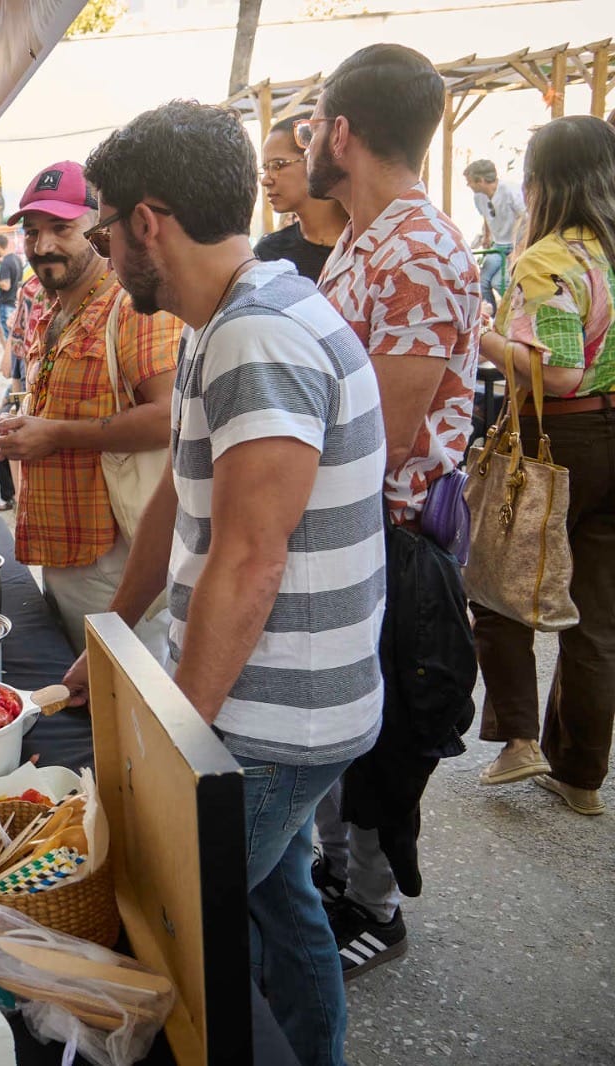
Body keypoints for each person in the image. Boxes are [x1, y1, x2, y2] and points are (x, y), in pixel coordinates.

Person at [71, 101, 387, 1066]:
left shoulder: (258, 334)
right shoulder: (228, 318)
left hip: (275, 717)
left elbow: (252, 560)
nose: (101, 246)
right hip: (273, 707)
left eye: (102, 226)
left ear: (148, 222)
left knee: (178, 925)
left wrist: (181, 749)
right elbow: (182, 490)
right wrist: (112, 640)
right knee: (282, 902)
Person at [305, 43, 482, 982]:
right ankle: (341, 884)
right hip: (353, 529)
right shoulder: (367, 236)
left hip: (388, 538)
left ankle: (376, 908)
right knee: (345, 732)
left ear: (343, 132)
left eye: (313, 125)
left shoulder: (413, 248)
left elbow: (395, 424)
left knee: (376, 739)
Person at [471, 115, 615, 817]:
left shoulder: (548, 257)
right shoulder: (609, 252)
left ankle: (519, 739)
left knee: (497, 581)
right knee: (597, 617)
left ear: (541, 180)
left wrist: (487, 338)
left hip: (556, 439)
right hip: (613, 439)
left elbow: (553, 376)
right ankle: (582, 778)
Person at [0, 161, 180, 657]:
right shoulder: (53, 306)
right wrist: (21, 426)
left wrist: (55, 434)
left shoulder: (133, 306)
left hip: (116, 553)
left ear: (97, 227)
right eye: (31, 231)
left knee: (125, 701)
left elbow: (170, 418)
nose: (42, 245)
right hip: (63, 549)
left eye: (61, 228)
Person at [255, 117, 348, 281]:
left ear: (313, 157)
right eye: (265, 169)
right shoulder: (270, 254)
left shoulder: (366, 242)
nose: (265, 180)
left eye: (278, 165)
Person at [0, 273, 47, 510]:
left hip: (33, 401)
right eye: (19, 305)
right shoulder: (25, 338)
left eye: (23, 305)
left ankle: (18, 497)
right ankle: (16, 496)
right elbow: (9, 372)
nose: (21, 310)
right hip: (23, 396)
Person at [465, 158, 528, 312]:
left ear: (480, 180)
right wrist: (487, 236)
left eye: (470, 181)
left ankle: (517, 313)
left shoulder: (510, 191)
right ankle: (490, 318)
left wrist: (519, 248)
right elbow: (486, 216)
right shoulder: (479, 196)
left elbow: (528, 220)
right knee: (483, 281)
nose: (468, 185)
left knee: (500, 282)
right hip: (498, 244)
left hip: (517, 243)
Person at [0, 233, 24, 339]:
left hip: (6, 303)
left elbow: (6, 286)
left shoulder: (5, 263)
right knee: (17, 338)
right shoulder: (16, 259)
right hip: (15, 302)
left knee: (10, 339)